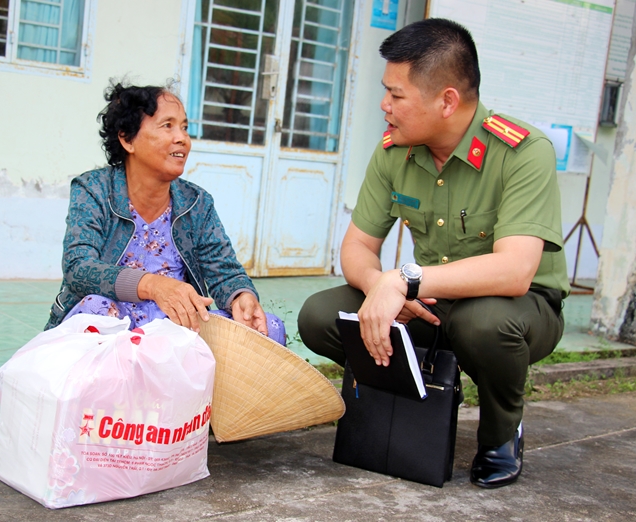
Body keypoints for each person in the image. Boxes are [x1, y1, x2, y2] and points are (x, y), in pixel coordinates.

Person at [298, 18, 569, 488]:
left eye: (396, 95)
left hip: (519, 309)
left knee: (483, 325)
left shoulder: (524, 153)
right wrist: (380, 287)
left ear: (447, 100)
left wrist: (404, 279)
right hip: (432, 300)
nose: (384, 106)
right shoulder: (393, 152)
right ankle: (421, 391)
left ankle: (501, 432)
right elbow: (359, 245)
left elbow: (515, 271)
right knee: (322, 315)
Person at [46, 81, 285, 345]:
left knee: (267, 328)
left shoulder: (197, 202)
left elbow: (223, 269)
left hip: (177, 328)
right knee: (96, 309)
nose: (182, 138)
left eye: (184, 127)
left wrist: (240, 297)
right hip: (115, 325)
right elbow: (78, 268)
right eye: (167, 125)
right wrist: (153, 285)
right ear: (127, 138)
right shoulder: (94, 189)